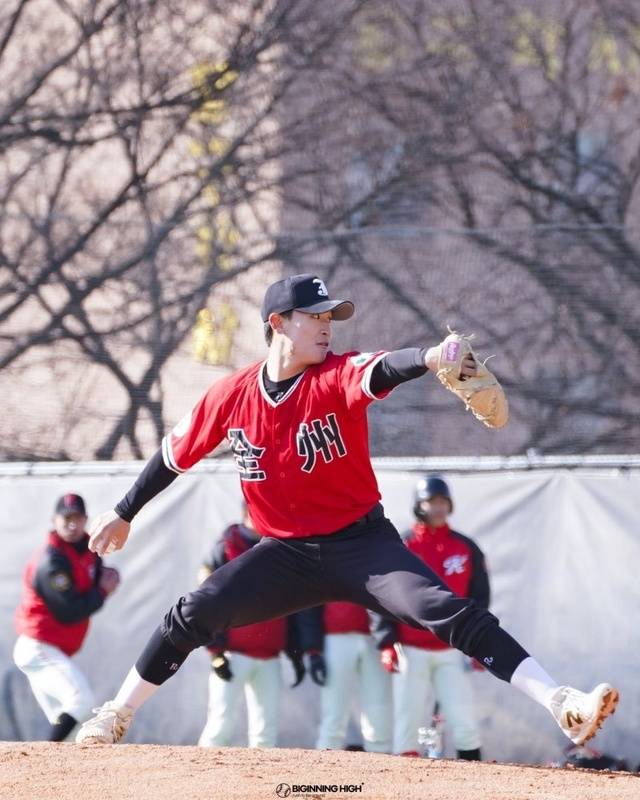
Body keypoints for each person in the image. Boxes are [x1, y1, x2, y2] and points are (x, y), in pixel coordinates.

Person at [74, 273, 618, 747]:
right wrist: (124, 511)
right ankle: (116, 714)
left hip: (362, 546)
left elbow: (379, 369)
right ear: (278, 323)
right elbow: (173, 456)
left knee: (448, 612)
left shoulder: (333, 377)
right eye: (314, 316)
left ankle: (561, 703)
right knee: (193, 611)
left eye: (330, 317)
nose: (327, 326)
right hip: (283, 554)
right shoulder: (232, 395)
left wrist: (431, 358)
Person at [377, 475, 488, 759]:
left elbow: (480, 598)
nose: (438, 508)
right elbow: (381, 596)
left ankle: (475, 780)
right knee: (407, 723)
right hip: (410, 649)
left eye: (442, 502)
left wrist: (479, 644)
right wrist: (386, 641)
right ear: (419, 505)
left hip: (452, 648)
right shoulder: (402, 546)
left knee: (464, 721)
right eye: (431, 502)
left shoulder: (465, 547)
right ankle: (403, 782)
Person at [197, 506, 325, 748]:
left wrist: (296, 651)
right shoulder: (226, 547)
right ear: (248, 512)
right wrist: (215, 651)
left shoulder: (282, 547)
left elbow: (295, 603)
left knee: (266, 731)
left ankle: (259, 776)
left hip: (269, 656)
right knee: (219, 726)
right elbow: (206, 602)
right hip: (232, 654)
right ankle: (198, 773)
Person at [14, 493, 120, 741]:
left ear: (86, 519)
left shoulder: (86, 549)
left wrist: (109, 577)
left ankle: (49, 762)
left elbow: (95, 573)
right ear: (54, 520)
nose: (73, 524)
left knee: (64, 719)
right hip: (38, 647)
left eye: (78, 518)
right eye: (67, 518)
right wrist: (102, 591)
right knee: (81, 701)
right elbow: (69, 612)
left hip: (51, 648)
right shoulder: (51, 561)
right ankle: (45, 754)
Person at [315, 601, 393, 753]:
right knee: (334, 705)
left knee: (378, 704)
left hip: (374, 638)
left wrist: (387, 639)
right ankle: (326, 755)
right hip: (335, 634)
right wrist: (312, 650)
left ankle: (380, 755)